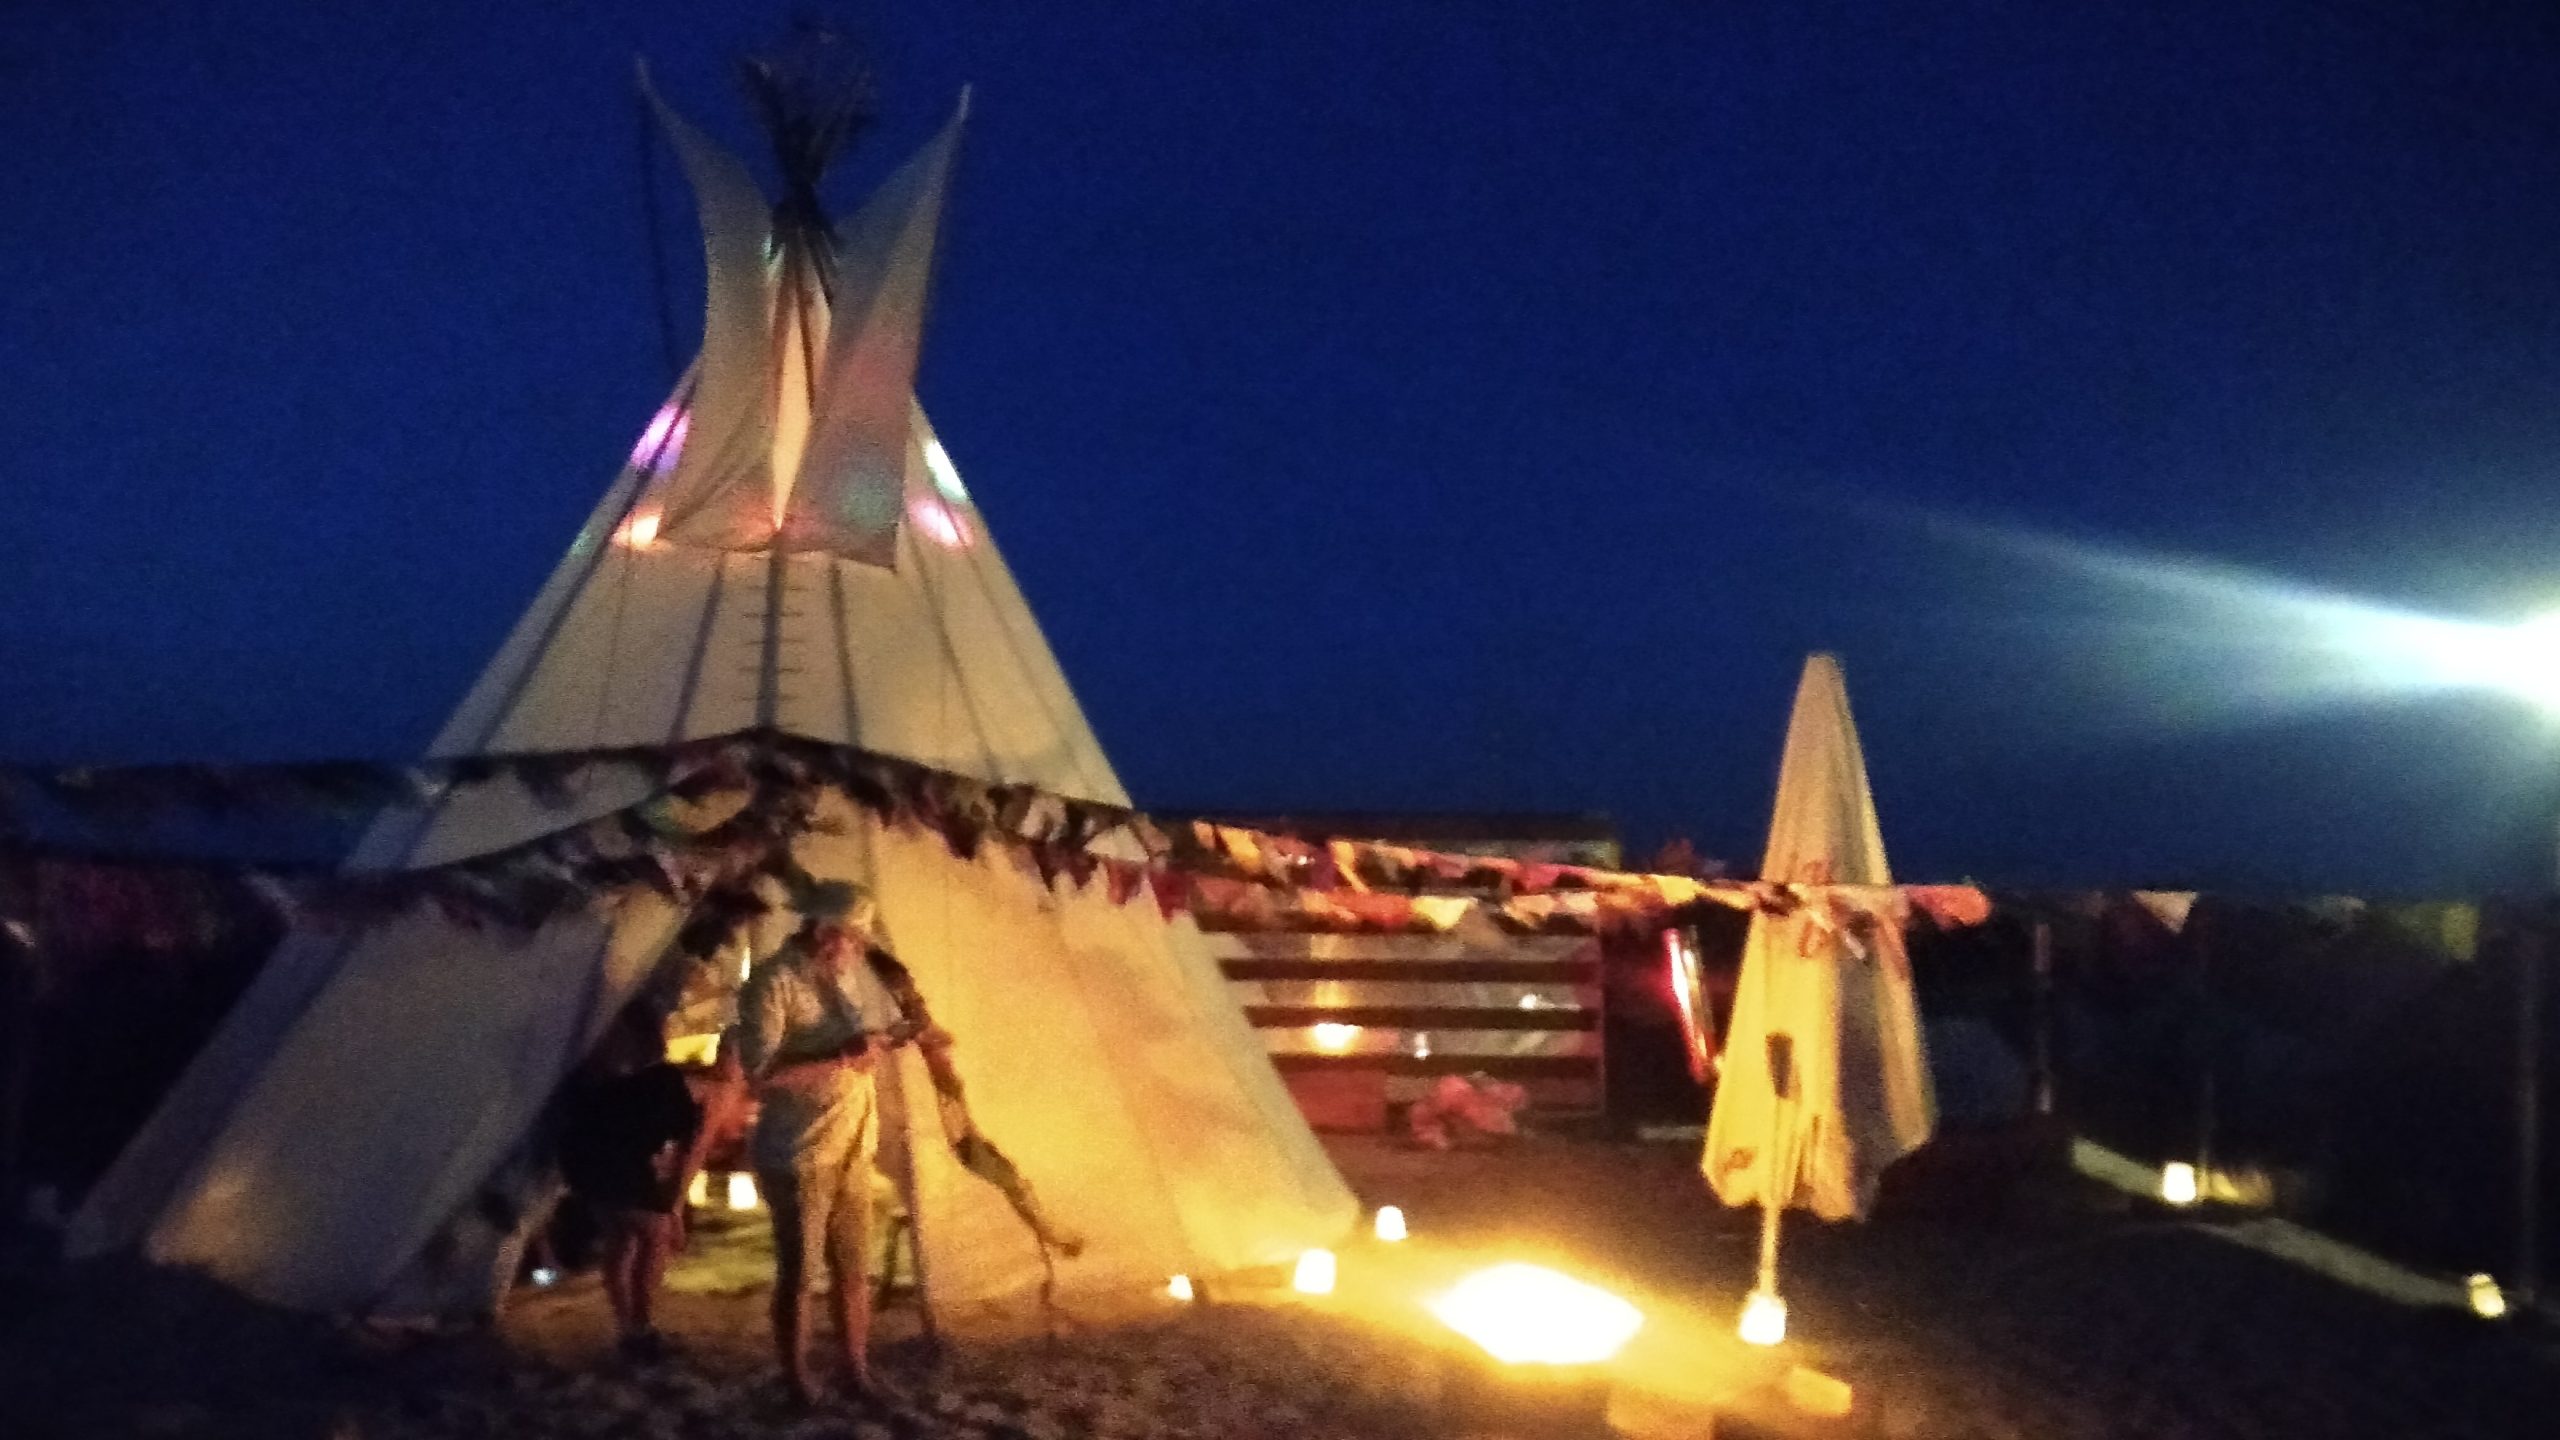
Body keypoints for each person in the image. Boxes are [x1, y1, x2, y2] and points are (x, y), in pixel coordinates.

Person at [731, 900, 917, 1407]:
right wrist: (839, 1056)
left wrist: (879, 1044)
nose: (854, 950)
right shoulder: (772, 982)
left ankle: (855, 1370)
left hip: (853, 1142)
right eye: (847, 937)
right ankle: (797, 1381)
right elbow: (761, 1075)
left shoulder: (846, 977)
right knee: (800, 1273)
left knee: (854, 1268)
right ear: (819, 928)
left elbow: (849, 1049)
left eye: (859, 941)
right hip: (799, 1150)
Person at [556, 1001, 705, 1362]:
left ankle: (628, 1327)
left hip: (591, 1167)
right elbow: (688, 1141)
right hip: (621, 1168)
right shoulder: (666, 1081)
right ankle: (641, 1326)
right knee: (653, 1238)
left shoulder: (600, 1078)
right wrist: (674, 1203)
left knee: (621, 1241)